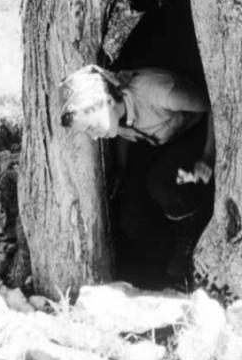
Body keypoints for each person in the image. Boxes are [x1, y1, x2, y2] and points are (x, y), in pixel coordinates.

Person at [58, 64, 215, 279]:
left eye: (92, 127)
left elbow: (215, 104)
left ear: (108, 101)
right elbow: (125, 131)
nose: (94, 136)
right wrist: (122, 168)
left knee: (161, 184)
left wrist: (208, 156)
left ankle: (190, 248)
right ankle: (157, 264)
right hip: (160, 141)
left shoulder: (162, 93)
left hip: (195, 132)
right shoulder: (114, 113)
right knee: (131, 213)